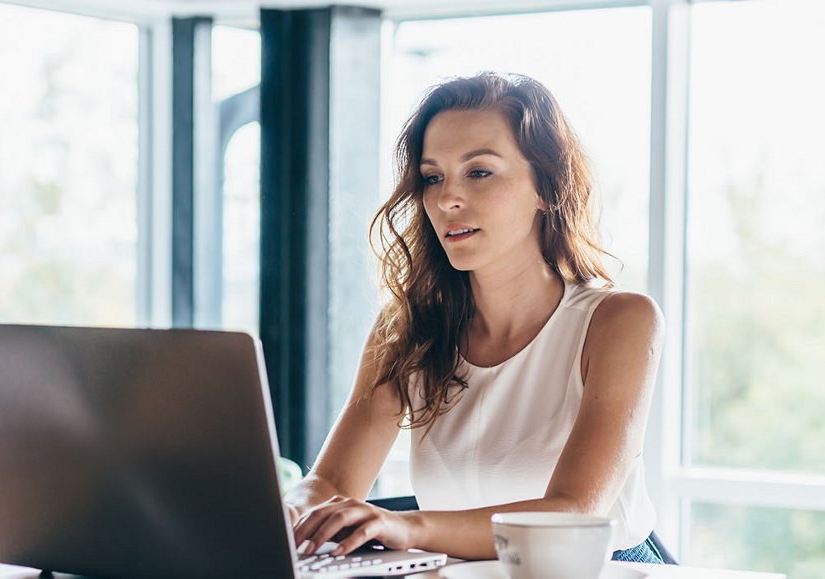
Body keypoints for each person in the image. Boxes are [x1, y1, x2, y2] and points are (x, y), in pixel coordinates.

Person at [285, 72, 666, 564]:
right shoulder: (407, 328)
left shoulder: (619, 321)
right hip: (460, 570)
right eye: (432, 177)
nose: (447, 200)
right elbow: (330, 483)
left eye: (479, 172)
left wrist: (407, 526)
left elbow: (572, 513)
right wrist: (285, 512)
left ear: (547, 187)